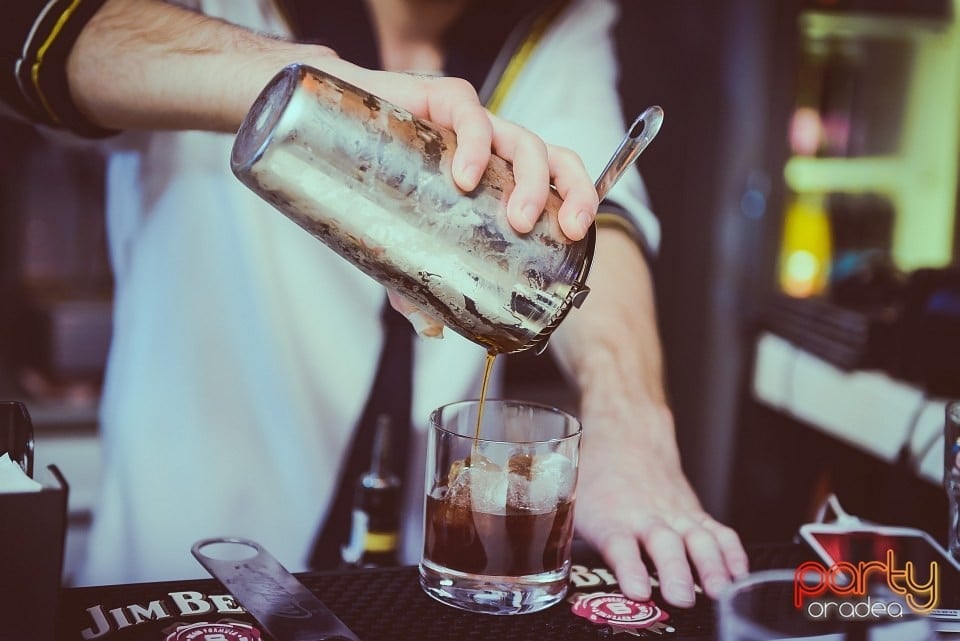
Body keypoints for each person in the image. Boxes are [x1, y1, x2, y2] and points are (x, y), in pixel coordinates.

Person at [2, 0, 747, 607]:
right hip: (177, 583)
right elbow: (37, 37)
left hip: (395, 597)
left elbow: (598, 224)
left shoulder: (556, 23)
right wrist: (316, 86)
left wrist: (628, 417)